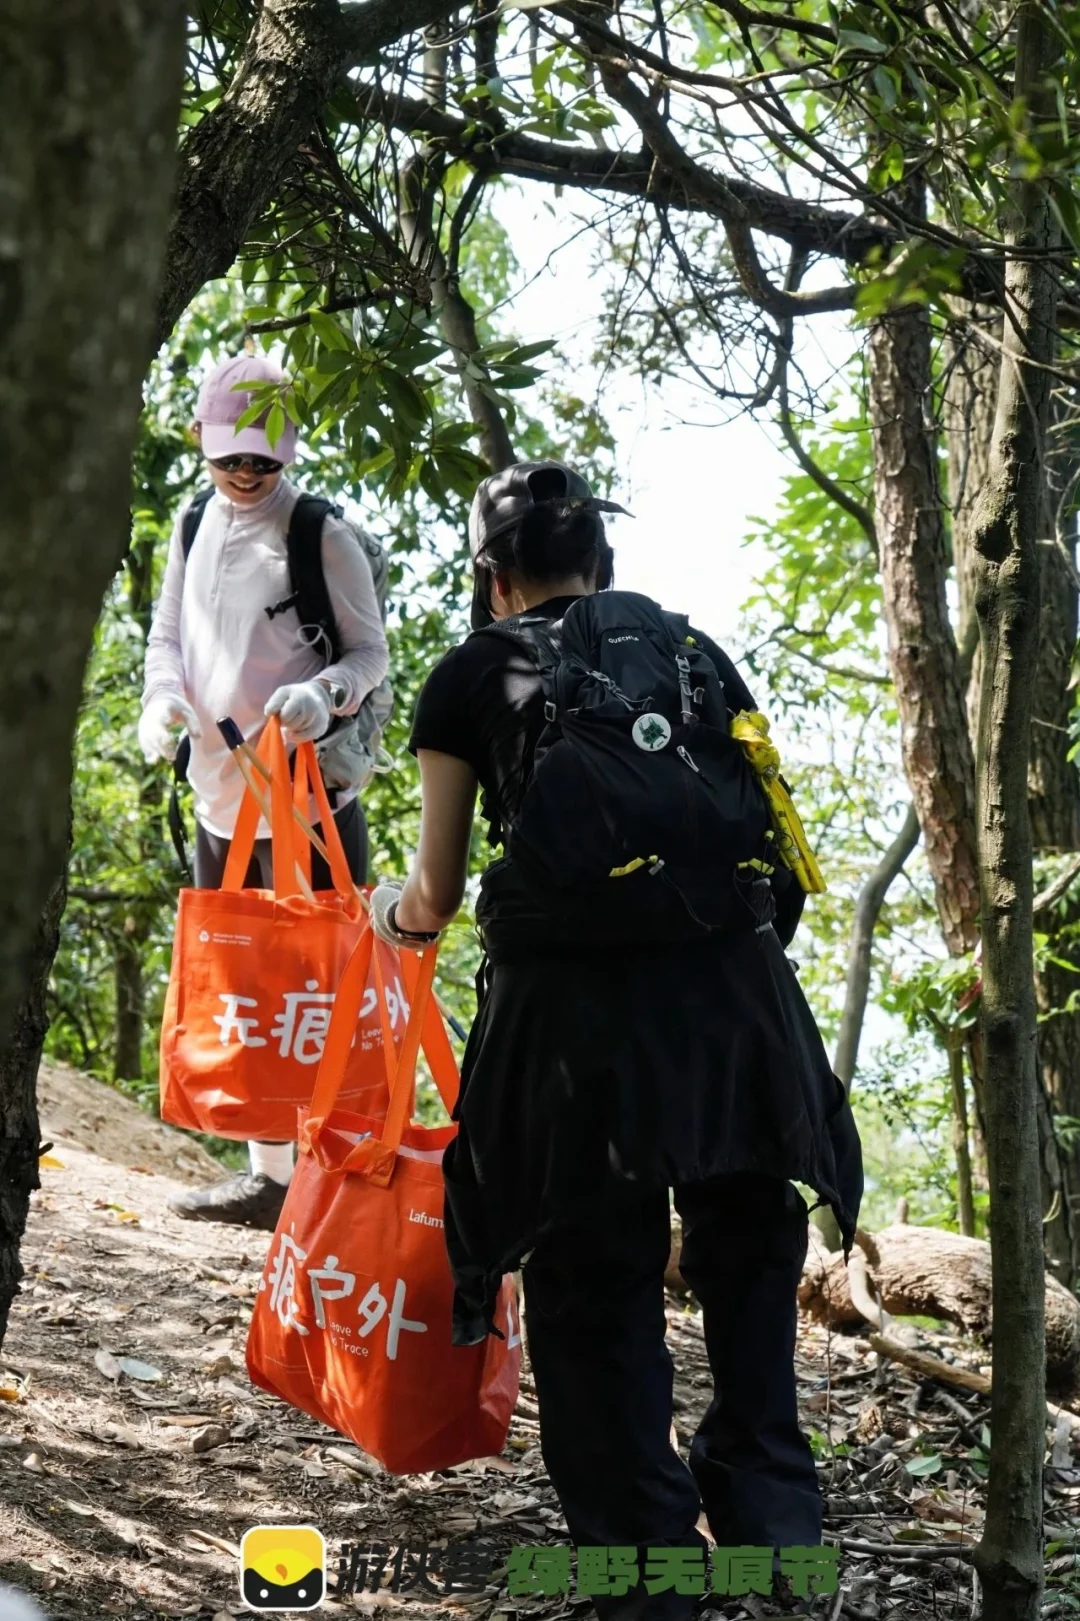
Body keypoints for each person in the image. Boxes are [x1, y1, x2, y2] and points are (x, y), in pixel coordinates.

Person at [370, 461, 862, 1619]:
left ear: (495, 580)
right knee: (749, 1257)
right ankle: (775, 1531)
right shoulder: (694, 653)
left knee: (593, 1288)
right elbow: (772, 842)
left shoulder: (474, 672)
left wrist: (391, 915)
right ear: (603, 565)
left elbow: (436, 892)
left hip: (575, 1035)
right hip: (737, 1012)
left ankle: (647, 1574)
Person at [140, 353, 389, 1230]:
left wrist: (326, 693)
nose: (247, 473)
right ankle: (270, 1177)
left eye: (263, 459)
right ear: (200, 442)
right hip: (221, 792)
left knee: (324, 986)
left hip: (308, 801)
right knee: (246, 984)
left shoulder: (319, 533)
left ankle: (340, 1180)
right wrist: (161, 700)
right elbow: (168, 636)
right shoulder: (191, 522)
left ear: (288, 453)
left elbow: (370, 652)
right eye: (231, 457)